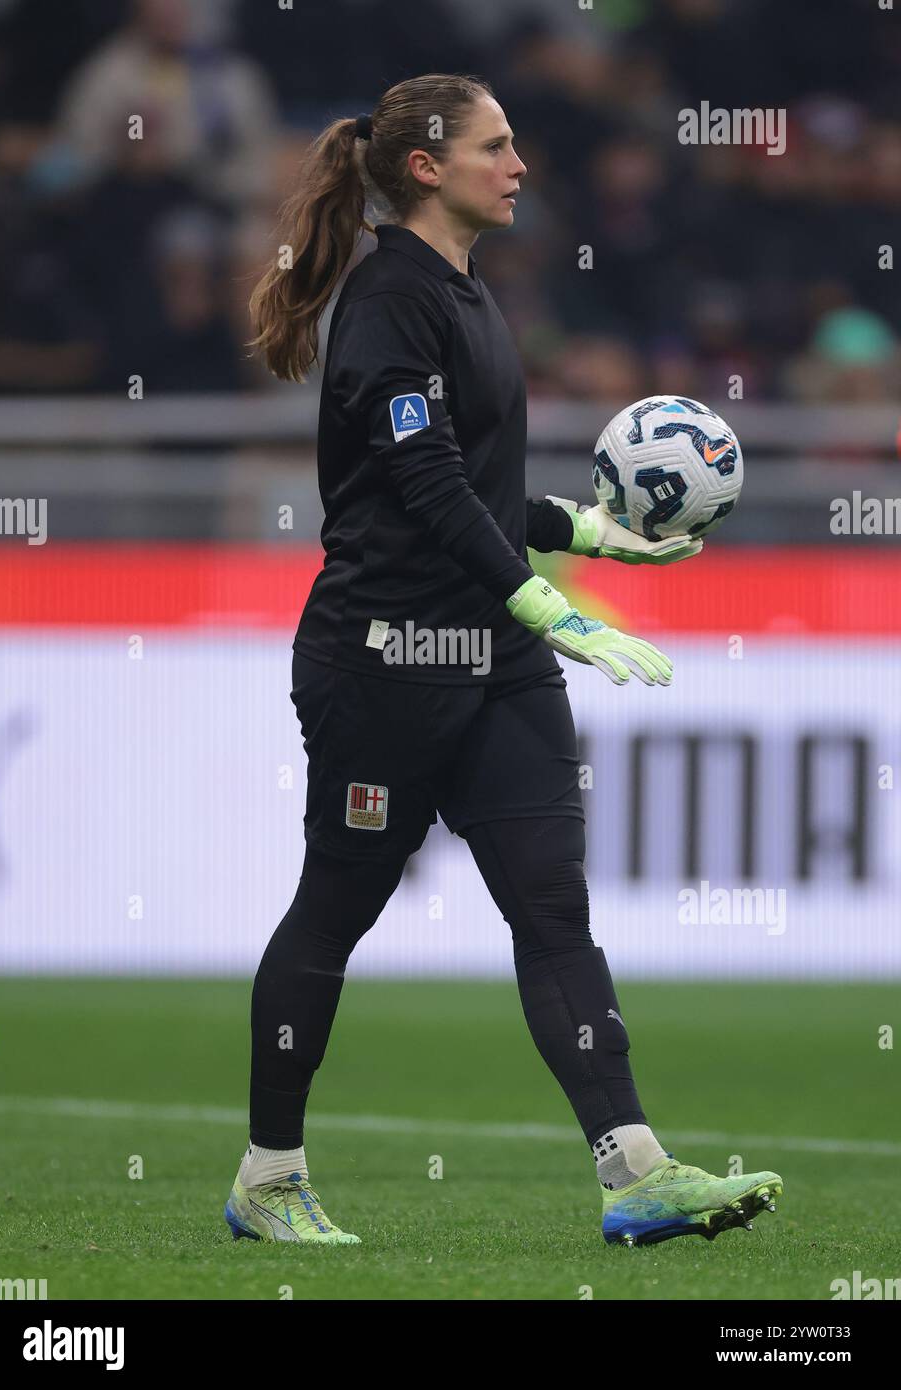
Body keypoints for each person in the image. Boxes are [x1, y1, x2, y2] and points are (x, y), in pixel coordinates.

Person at [224, 73, 783, 1248]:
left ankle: (631, 1170)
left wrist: (593, 538)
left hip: (497, 658)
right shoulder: (388, 297)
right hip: (383, 658)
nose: (520, 164)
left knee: (552, 910)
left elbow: (474, 482)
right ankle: (268, 1175)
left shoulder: (470, 294)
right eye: (497, 145)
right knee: (336, 908)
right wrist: (546, 600)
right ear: (427, 167)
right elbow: (418, 487)